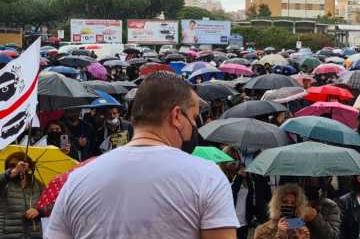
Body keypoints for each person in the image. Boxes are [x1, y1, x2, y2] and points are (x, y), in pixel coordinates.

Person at [48, 71, 238, 238]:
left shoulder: (78, 179)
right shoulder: (207, 177)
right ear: (177, 116)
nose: (195, 126)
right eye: (194, 117)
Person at [220, 146, 270, 239]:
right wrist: (238, 178)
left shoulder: (243, 176)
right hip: (229, 222)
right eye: (231, 159)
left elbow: (251, 195)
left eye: (236, 159)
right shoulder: (221, 177)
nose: (234, 162)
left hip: (244, 222)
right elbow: (231, 194)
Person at [0, 152, 44, 238]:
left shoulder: (37, 184)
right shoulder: (5, 183)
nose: (18, 167)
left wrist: (39, 211)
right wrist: (12, 173)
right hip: (8, 235)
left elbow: (51, 204)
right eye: (13, 165)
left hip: (33, 235)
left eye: (22, 164)